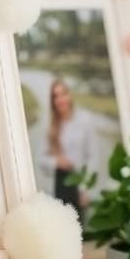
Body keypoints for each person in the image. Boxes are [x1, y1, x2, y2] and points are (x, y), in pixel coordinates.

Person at [39, 78, 99, 223]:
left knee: (81, 231)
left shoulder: (85, 120)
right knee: (64, 229)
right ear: (52, 101)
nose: (60, 99)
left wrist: (85, 189)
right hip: (60, 183)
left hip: (80, 182)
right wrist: (56, 161)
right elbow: (40, 159)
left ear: (69, 95)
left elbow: (93, 156)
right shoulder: (50, 125)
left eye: (63, 94)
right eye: (55, 96)